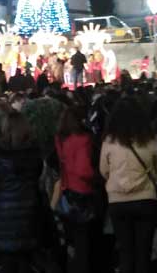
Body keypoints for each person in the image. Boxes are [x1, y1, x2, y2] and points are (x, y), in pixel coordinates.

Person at [100, 98, 157, 273]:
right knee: (144, 252)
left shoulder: (109, 141)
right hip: (146, 200)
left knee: (125, 251)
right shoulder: (151, 139)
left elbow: (103, 170)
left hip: (117, 201)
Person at [0, 111, 44, 273]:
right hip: (29, 205)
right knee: (27, 257)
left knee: (7, 258)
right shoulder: (33, 152)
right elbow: (37, 175)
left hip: (4, 207)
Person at [55, 105, 96, 273]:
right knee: (84, 237)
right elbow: (83, 170)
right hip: (83, 190)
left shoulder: (60, 138)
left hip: (66, 188)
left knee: (71, 233)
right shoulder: (83, 139)